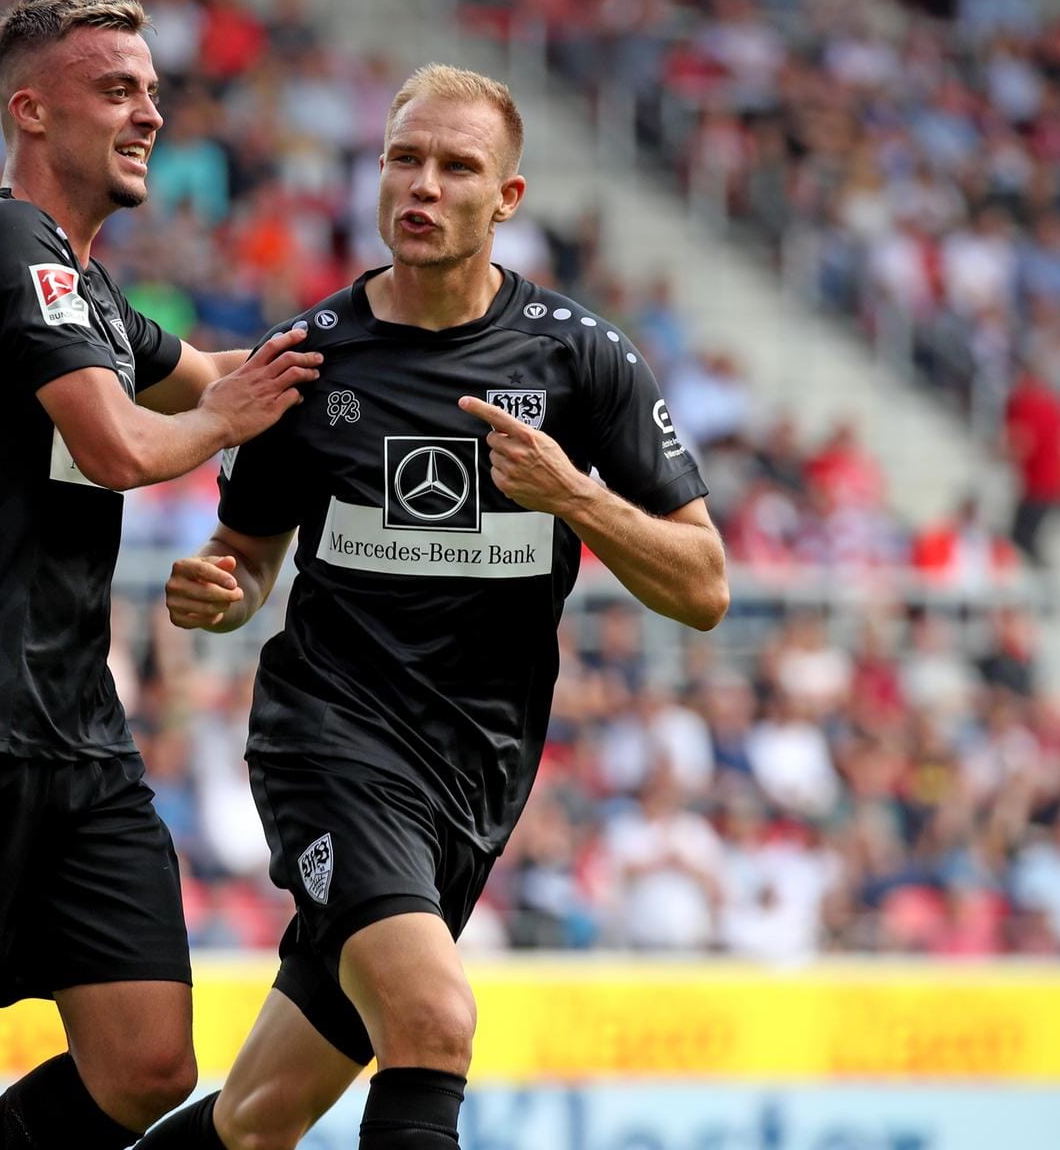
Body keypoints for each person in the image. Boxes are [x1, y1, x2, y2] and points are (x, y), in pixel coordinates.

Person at [144, 64, 728, 1150]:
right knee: (433, 1016)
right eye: (404, 158)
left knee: (258, 1117)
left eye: (456, 166)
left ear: (506, 198)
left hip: (475, 779)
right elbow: (247, 557)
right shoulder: (307, 359)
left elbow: (704, 586)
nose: (422, 184)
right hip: (329, 742)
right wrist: (218, 593)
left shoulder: (579, 360)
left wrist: (574, 495)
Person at [0, 0, 321, 1150]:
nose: (152, 113)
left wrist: (365, 363)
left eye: (151, 89)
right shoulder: (0, 243)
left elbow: (220, 375)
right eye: (119, 90)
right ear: (32, 110)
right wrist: (233, 416)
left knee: (144, 1063)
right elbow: (123, 444)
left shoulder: (89, 287)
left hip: (78, 729)